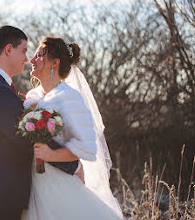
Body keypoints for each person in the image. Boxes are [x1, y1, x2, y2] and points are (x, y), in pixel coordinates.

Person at [0, 26, 79, 220]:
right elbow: (28, 136)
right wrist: (71, 163)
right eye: (24, 51)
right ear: (8, 50)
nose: (27, 59)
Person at [20, 37, 124, 220]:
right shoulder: (32, 97)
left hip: (58, 185)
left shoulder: (69, 97)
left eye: (39, 55)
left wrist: (49, 155)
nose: (32, 60)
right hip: (32, 185)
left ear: (55, 63)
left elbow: (85, 147)